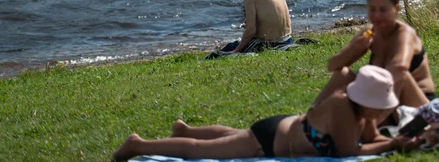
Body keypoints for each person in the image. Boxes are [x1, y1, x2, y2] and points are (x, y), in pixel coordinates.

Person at [112, 65, 421, 160]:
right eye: (380, 107)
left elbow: (373, 139)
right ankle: (138, 144)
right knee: (201, 152)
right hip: (270, 139)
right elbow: (347, 151)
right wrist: (393, 145)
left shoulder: (360, 113)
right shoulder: (342, 107)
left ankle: (185, 130)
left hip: (279, 129)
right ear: (367, 100)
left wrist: (398, 140)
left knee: (232, 137)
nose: (382, 113)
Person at [318, 0, 434, 108]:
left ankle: (370, 117)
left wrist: (367, 91)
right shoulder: (370, 32)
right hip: (382, 98)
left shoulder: (404, 33)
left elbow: (399, 67)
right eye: (372, 10)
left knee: (403, 76)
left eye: (383, 10)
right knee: (342, 74)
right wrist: (353, 49)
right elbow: (332, 65)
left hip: (416, 103)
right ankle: (310, 119)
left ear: (396, 9)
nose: (377, 15)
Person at [219, 0, 292, 53]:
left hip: (272, 44)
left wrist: (237, 50)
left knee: (226, 50)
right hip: (287, 40)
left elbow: (251, 30)